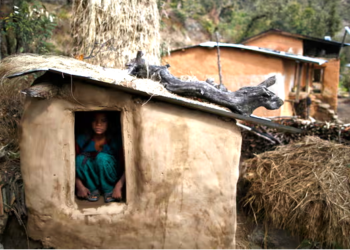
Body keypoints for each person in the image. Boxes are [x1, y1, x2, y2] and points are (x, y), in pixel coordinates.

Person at [75, 112, 125, 203]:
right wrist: (79, 186)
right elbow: (68, 164)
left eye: (103, 121)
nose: (98, 124)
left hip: (112, 177)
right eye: (94, 120)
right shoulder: (82, 139)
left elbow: (129, 165)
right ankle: (92, 189)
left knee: (101, 158)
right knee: (79, 159)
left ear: (109, 123)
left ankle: (108, 189)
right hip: (90, 179)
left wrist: (119, 186)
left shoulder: (116, 140)